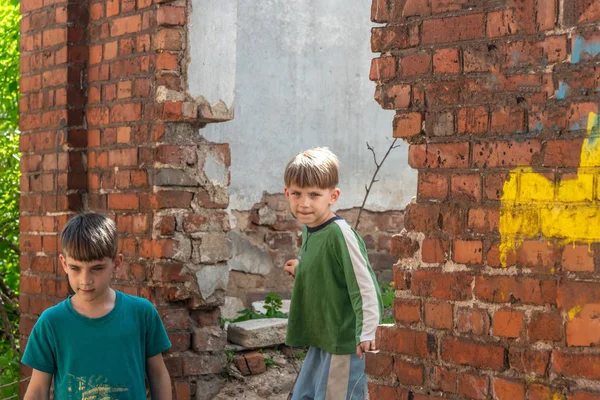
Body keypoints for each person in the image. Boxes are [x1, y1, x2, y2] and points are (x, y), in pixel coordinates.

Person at [22, 212, 172, 399]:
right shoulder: (51, 322)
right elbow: (37, 389)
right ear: (64, 264)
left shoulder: (142, 313)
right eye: (76, 268)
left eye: (97, 268)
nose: (85, 280)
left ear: (116, 263)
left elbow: (158, 375)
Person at [282, 147, 382, 400]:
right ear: (287, 193)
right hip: (321, 338)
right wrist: (301, 269)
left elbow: (364, 285)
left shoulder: (340, 234)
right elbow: (325, 267)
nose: (304, 203)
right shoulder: (310, 228)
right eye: (297, 193)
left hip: (344, 342)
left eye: (314, 194)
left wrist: (368, 332)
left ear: (333, 196)